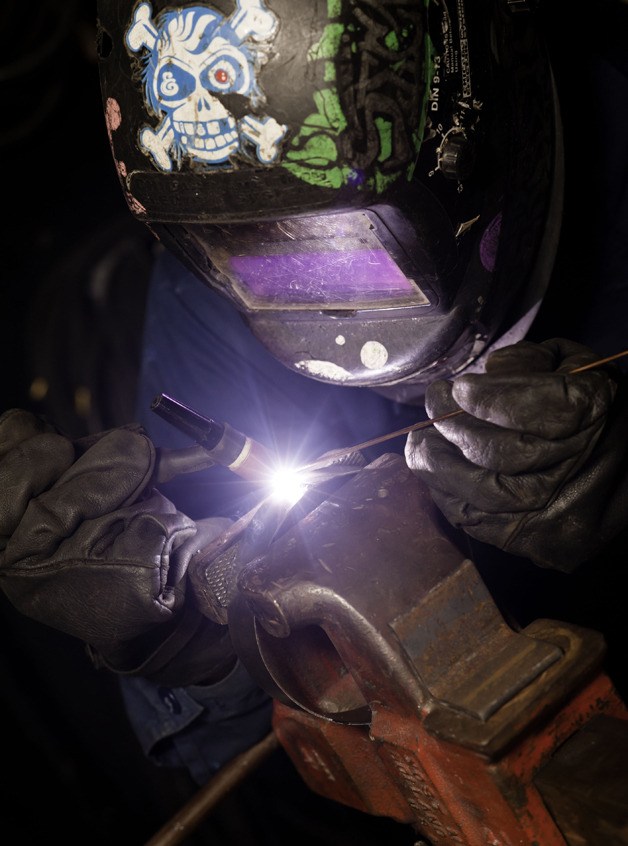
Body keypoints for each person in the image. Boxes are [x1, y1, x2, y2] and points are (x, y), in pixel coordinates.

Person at [1, 0, 627, 843]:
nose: (332, 314)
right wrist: (194, 646)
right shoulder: (206, 294)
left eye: (352, 244)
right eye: (265, 260)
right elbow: (237, 776)